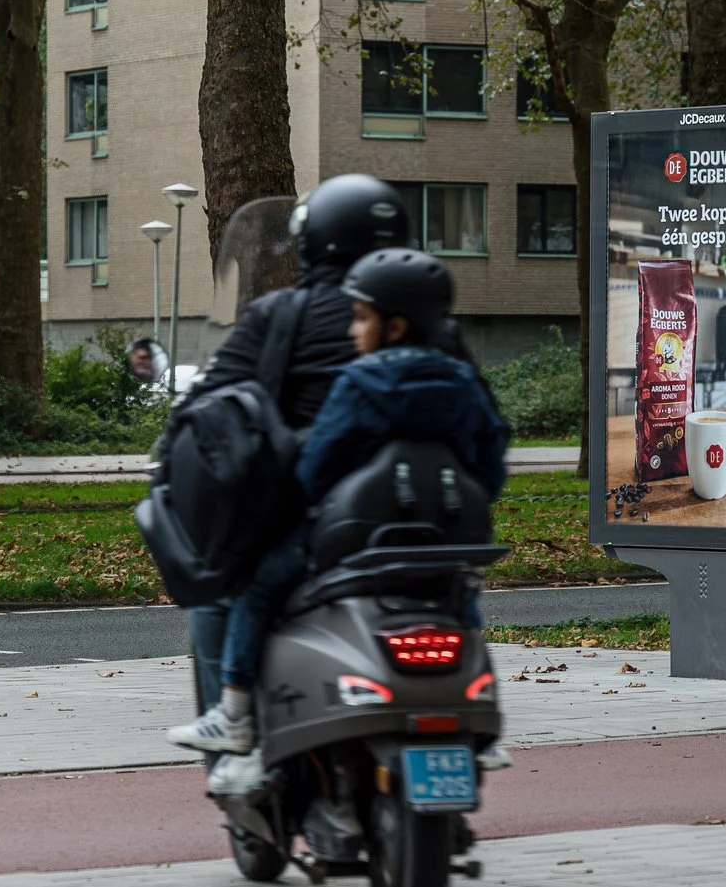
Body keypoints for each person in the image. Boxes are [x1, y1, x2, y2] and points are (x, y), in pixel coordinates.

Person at [171, 247, 509, 794]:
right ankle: (485, 727)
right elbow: (490, 462)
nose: (352, 331)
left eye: (360, 318)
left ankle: (233, 711)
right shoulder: (461, 380)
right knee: (459, 595)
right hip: (448, 535)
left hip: (357, 536)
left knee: (256, 592)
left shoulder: (361, 381)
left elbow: (316, 464)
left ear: (393, 326)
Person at [173, 174, 413, 705]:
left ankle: (230, 724)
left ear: (310, 243)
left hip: (316, 520)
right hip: (425, 521)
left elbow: (205, 408)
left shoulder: (282, 315)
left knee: (216, 594)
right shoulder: (428, 325)